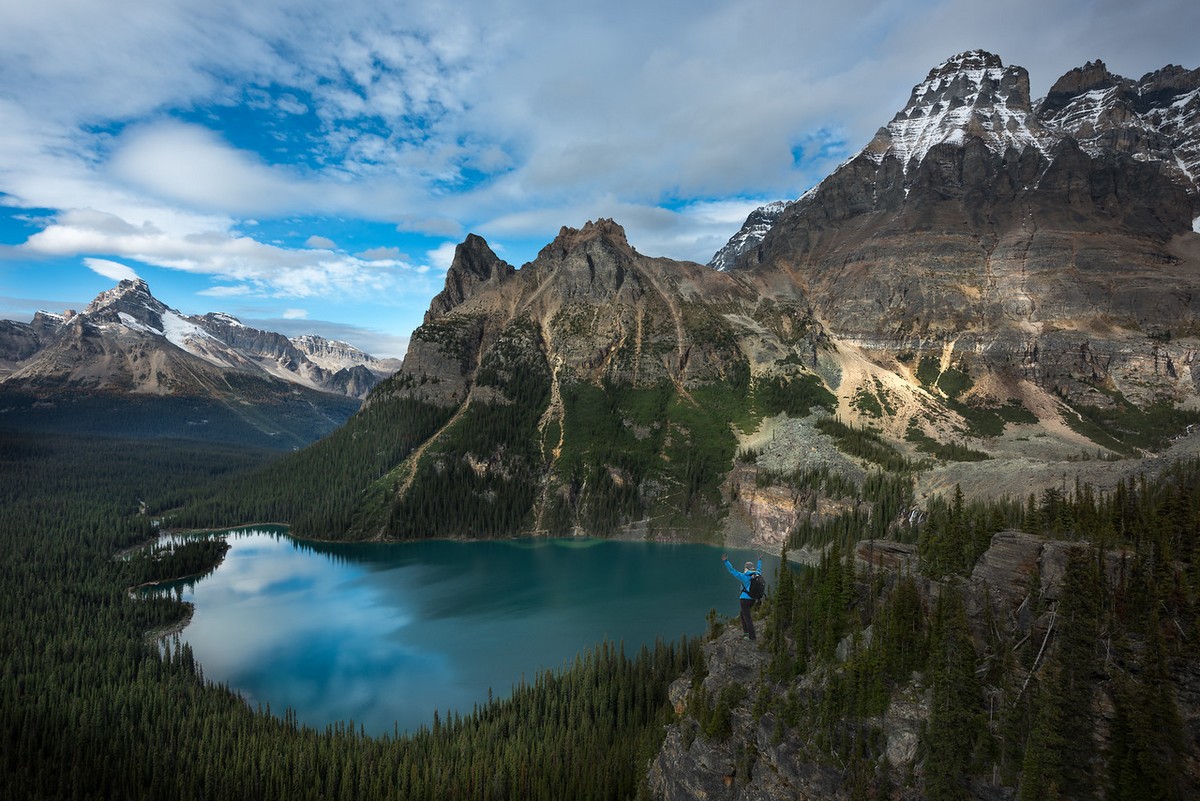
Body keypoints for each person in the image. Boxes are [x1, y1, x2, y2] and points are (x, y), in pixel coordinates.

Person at [722, 553, 762, 641]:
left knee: (747, 617)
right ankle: (746, 632)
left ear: (746, 568)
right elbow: (759, 568)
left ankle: (752, 637)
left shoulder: (744, 576)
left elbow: (732, 571)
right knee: (742, 613)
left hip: (744, 600)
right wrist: (759, 560)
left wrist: (726, 561)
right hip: (753, 599)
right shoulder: (757, 574)